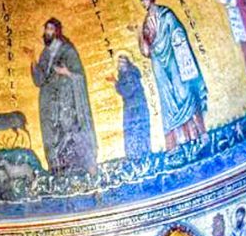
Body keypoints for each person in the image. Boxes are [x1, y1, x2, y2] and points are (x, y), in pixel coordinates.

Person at [132, 0, 207, 150]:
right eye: (141, 0)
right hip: (158, 62)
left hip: (173, 56)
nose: (143, 3)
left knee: (183, 92)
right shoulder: (146, 24)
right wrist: (139, 34)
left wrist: (176, 39)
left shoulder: (166, 14)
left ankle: (198, 133)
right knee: (168, 99)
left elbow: (178, 32)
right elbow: (146, 52)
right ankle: (180, 141)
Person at [27, 18, 98, 175]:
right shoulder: (45, 53)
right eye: (46, 29)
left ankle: (81, 167)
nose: (47, 32)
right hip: (49, 102)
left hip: (66, 100)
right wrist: (32, 59)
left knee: (69, 130)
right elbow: (39, 80)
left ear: (57, 31)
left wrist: (66, 72)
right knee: (53, 135)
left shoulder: (67, 50)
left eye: (51, 29)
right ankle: (59, 171)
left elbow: (79, 75)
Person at [112, 54, 152, 162]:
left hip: (136, 108)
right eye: (119, 63)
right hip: (131, 108)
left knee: (137, 130)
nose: (120, 65)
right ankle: (134, 155)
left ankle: (141, 154)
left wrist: (116, 83)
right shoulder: (124, 75)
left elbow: (128, 91)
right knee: (131, 131)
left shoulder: (130, 75)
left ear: (127, 63)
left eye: (122, 62)